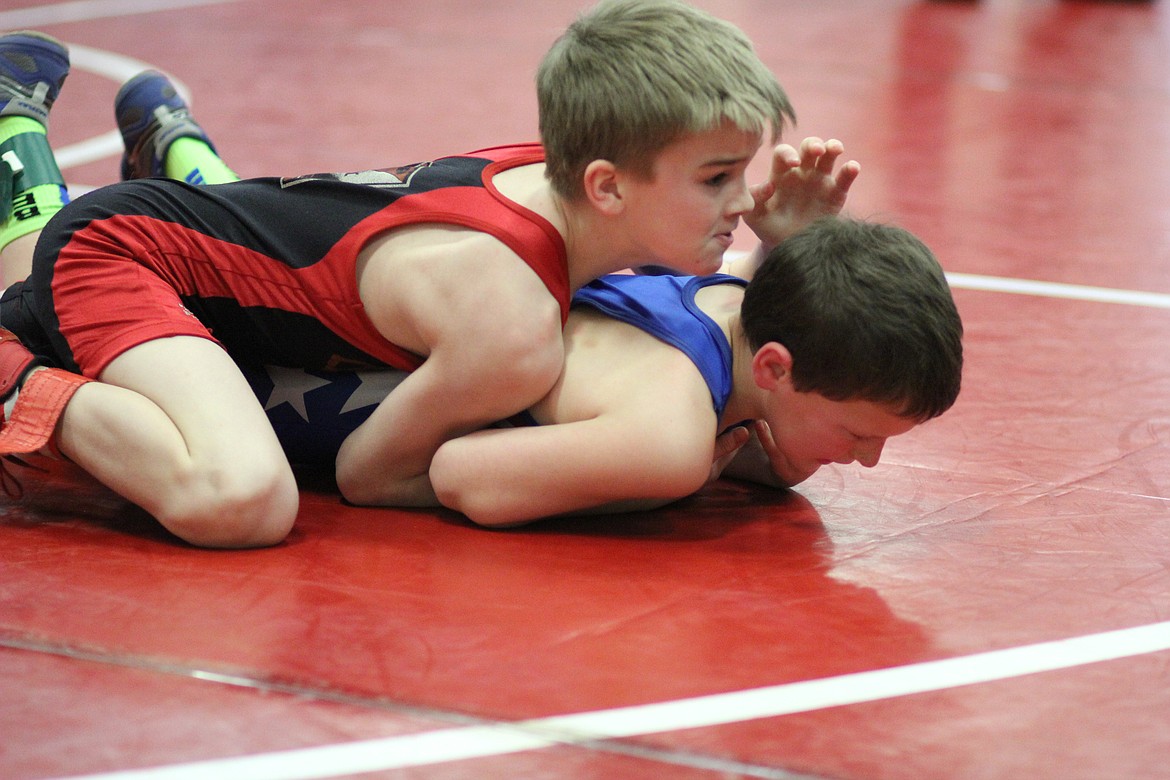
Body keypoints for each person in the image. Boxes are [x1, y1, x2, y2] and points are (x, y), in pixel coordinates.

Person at [0, 3, 859, 548]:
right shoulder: (511, 323)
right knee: (241, 500)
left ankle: (180, 155)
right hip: (123, 253)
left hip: (216, 249)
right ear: (608, 186)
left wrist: (779, 247)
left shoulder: (558, 185)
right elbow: (372, 477)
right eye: (717, 178)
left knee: (266, 264)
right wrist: (614, 493)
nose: (743, 200)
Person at [239, 216, 963, 527]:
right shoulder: (668, 437)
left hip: (299, 288)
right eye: (860, 433)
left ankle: (193, 167)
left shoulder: (725, 287)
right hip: (257, 378)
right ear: (774, 368)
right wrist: (649, 492)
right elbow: (465, 475)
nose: (868, 462)